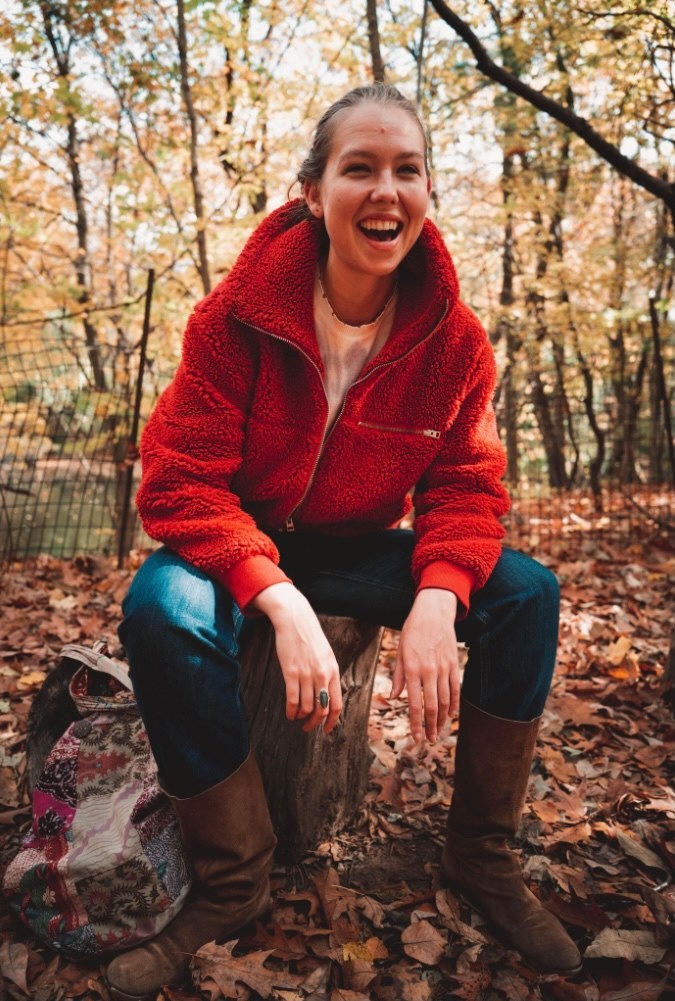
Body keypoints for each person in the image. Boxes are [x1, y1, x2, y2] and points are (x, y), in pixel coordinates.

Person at [106, 83, 582, 1000]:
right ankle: (232, 882)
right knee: (159, 609)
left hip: (359, 547)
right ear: (312, 192)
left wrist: (440, 593)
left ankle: (482, 855)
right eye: (357, 167)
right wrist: (275, 599)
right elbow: (177, 478)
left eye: (407, 169)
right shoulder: (231, 318)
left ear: (428, 192)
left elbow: (467, 485)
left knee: (528, 593)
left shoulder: (455, 342)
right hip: (241, 537)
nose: (384, 190)